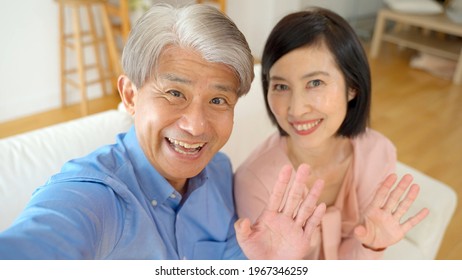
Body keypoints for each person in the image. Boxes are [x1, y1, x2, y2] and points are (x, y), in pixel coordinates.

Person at [0, 4, 326, 260]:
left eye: (217, 99)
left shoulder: (220, 172)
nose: (196, 125)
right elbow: (36, 244)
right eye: (174, 94)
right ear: (130, 96)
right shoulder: (97, 196)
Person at [234, 7, 429, 260]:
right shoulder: (255, 181)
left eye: (315, 83)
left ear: (353, 87)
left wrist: (372, 246)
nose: (297, 108)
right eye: (281, 86)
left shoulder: (378, 152)